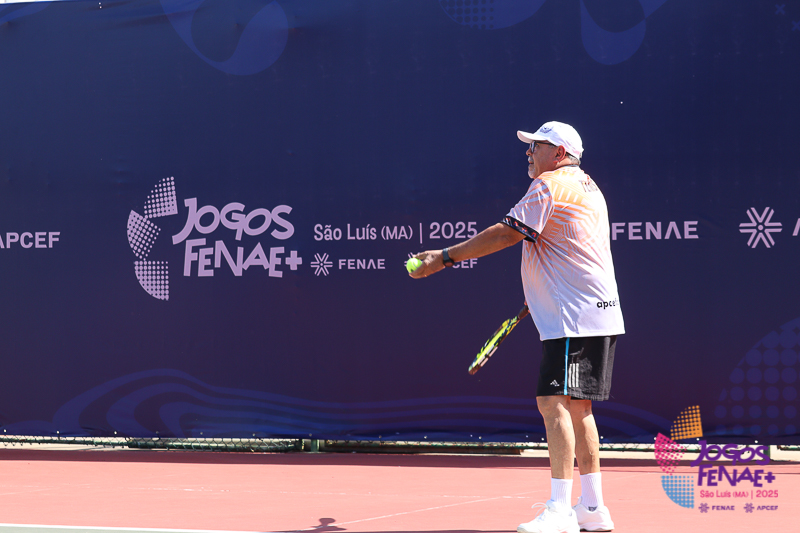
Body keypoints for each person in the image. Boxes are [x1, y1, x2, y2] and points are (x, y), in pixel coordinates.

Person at [408, 121, 624, 533]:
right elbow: (572, 249)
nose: (528, 152)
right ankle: (593, 508)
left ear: (558, 153)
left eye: (537, 145)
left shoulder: (548, 186)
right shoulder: (588, 187)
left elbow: (507, 234)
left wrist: (445, 258)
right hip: (598, 312)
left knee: (552, 403)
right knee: (579, 408)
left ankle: (559, 510)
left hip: (572, 316)